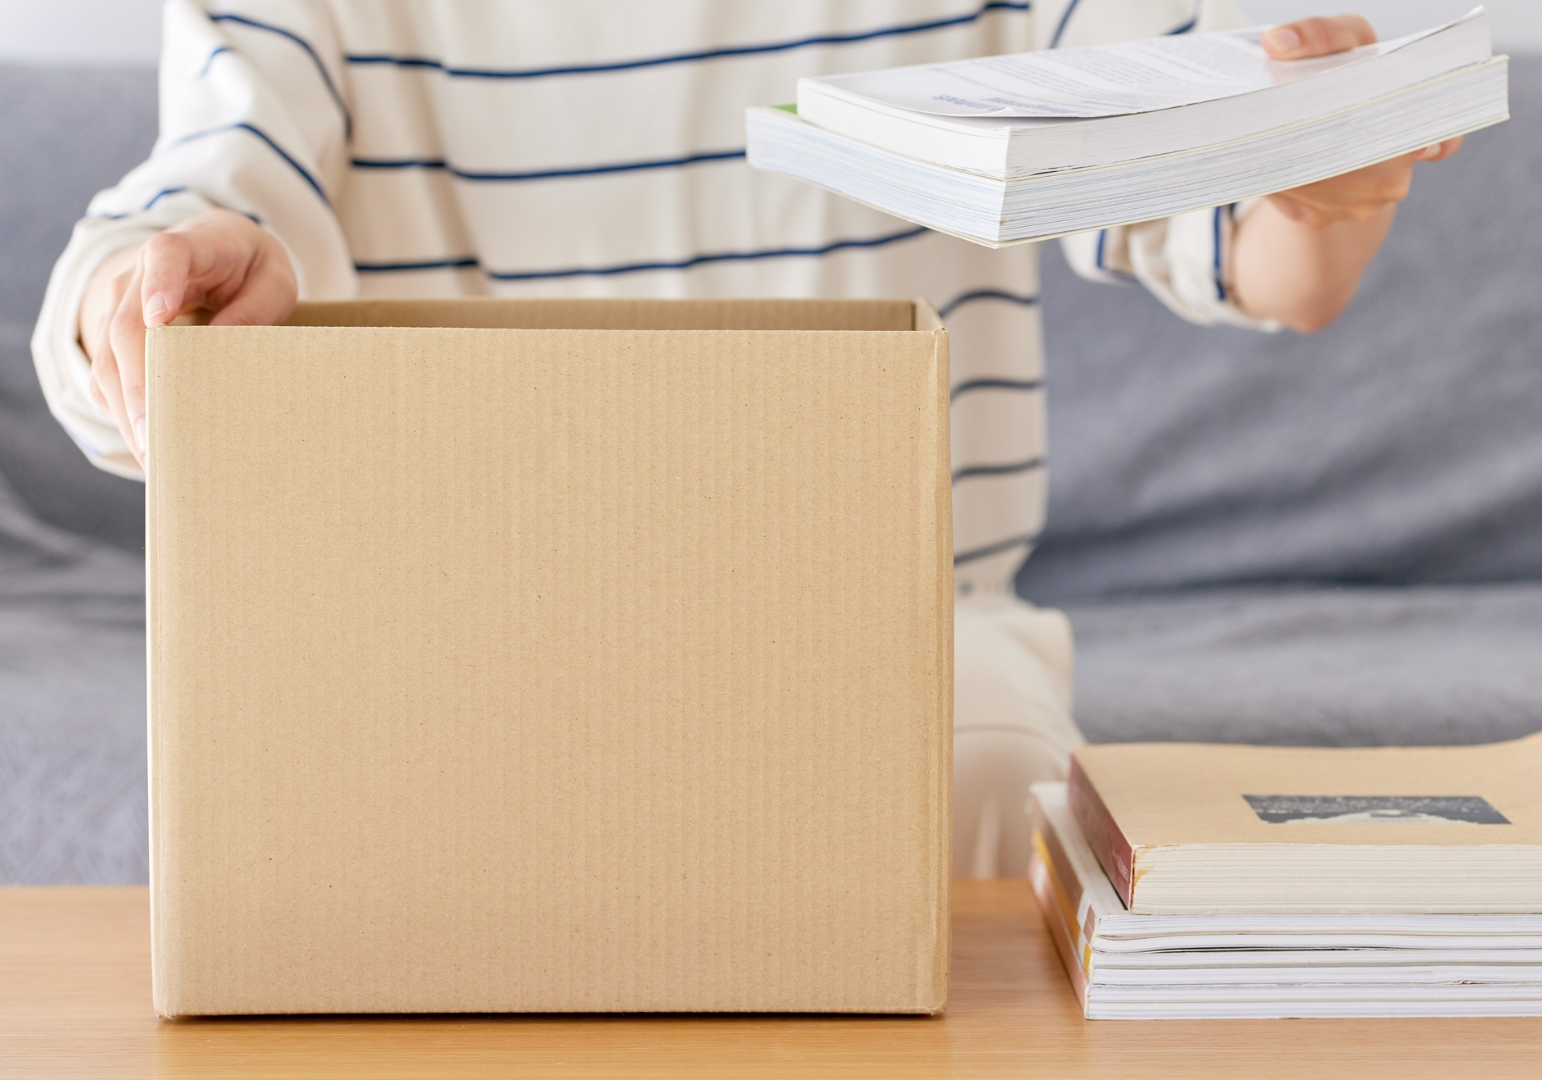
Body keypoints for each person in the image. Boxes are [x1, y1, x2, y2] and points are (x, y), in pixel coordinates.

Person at [32, 1, 1461, 878]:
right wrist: (152, 292)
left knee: (957, 764)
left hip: (888, 629)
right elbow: (197, 207)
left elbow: (1265, 251)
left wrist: (1313, 172)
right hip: (458, 640)